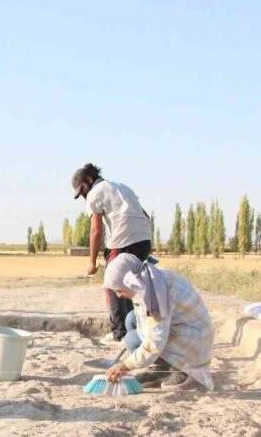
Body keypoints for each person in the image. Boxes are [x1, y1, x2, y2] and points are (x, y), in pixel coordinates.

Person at [102, 254, 214, 391]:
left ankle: (182, 370)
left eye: (119, 290)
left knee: (131, 340)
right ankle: (160, 368)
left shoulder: (156, 293)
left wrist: (126, 365)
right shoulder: (148, 278)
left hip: (194, 341)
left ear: (129, 281)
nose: (119, 295)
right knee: (131, 319)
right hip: (188, 329)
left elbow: (154, 343)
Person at [71, 163, 153, 340]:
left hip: (123, 242)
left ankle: (120, 333)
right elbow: (145, 216)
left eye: (82, 190)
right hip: (144, 241)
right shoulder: (122, 187)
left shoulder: (95, 193)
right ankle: (134, 329)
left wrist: (92, 262)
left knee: (112, 283)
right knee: (131, 285)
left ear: (89, 180)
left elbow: (96, 231)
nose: (83, 195)